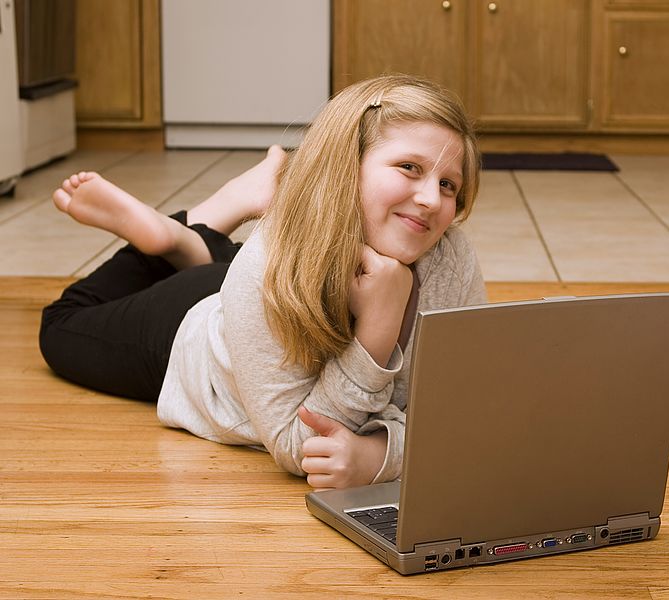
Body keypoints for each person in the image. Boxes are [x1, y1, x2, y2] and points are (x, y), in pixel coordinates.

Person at [39, 75, 487, 490]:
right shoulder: (269, 261)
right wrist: (376, 330)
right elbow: (299, 442)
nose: (431, 199)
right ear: (344, 166)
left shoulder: (451, 260)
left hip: (251, 290)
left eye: (449, 184)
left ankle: (188, 241)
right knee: (61, 326)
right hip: (191, 334)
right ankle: (201, 219)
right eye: (409, 167)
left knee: (242, 268)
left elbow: (468, 413)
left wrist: (381, 455)